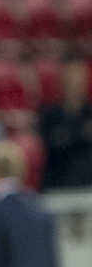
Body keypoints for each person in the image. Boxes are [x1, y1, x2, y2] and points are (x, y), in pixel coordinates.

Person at [40, 60, 92, 189]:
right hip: (58, 180)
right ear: (63, 83)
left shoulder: (89, 114)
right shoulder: (50, 116)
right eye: (71, 81)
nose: (75, 87)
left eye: (79, 82)